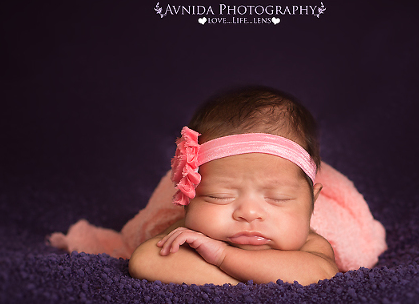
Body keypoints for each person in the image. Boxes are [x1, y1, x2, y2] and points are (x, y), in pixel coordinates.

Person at [128, 86, 339, 286]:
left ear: (312, 202)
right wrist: (260, 281)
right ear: (187, 198)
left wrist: (223, 256)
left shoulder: (309, 243)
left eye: (278, 197)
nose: (248, 213)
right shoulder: (190, 233)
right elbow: (146, 261)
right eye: (218, 196)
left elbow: (321, 274)